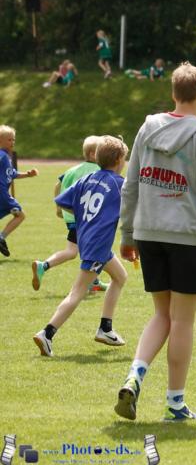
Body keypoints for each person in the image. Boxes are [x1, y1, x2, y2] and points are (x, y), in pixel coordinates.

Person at [114, 62, 196, 422]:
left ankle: (134, 376)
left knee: (161, 315)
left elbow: (131, 185)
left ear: (173, 93)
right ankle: (175, 403)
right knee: (182, 321)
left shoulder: (147, 127)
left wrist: (127, 234)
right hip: (188, 238)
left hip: (148, 234)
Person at [33, 135, 129, 357]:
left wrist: (86, 217)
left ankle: (106, 328)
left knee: (120, 277)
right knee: (77, 292)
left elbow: (63, 202)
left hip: (87, 240)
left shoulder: (87, 179)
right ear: (118, 159)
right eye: (124, 158)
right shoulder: (118, 183)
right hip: (97, 244)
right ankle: (47, 333)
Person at [31, 135, 109, 293]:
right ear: (93, 154)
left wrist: (58, 208)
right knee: (76, 251)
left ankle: (94, 282)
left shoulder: (72, 170)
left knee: (85, 249)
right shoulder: (98, 171)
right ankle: (44, 266)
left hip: (70, 216)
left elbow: (58, 185)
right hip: (86, 218)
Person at [0, 125, 38, 257]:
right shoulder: (2, 156)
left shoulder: (6, 157)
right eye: (9, 140)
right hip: (3, 195)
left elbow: (12, 174)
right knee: (20, 215)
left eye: (13, 139)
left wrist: (27, 174)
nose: (12, 142)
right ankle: (1, 237)